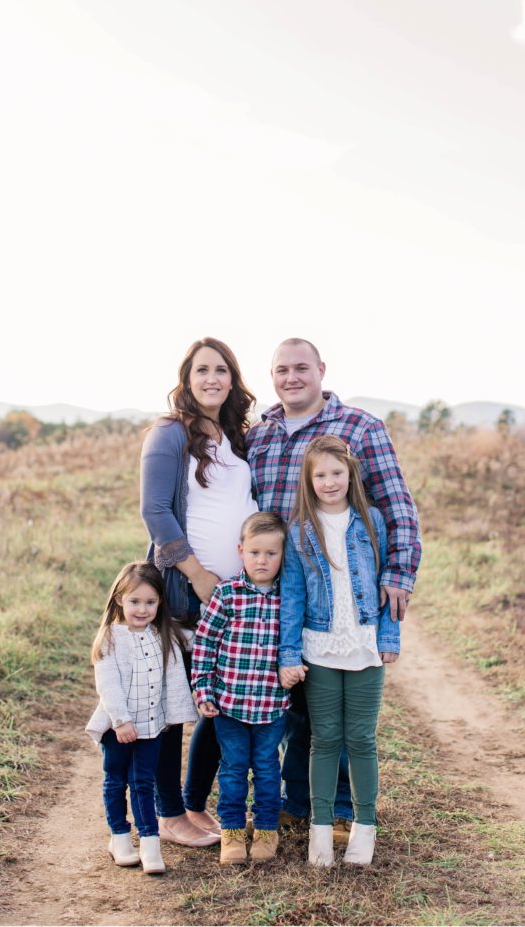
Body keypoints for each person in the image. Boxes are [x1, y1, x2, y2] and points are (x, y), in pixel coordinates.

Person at [246, 338, 421, 838]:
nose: (291, 377)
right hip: (273, 587)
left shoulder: (359, 428)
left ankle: (342, 808)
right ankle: (299, 801)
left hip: (335, 589)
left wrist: (398, 573)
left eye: (302, 368)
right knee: (294, 702)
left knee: (338, 702)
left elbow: (396, 504)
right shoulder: (261, 435)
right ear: (272, 376)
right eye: (281, 370)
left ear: (321, 369)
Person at [140, 337, 258, 846]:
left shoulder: (234, 437)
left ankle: (191, 802)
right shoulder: (169, 433)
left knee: (220, 699)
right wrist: (197, 574)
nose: (212, 378)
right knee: (173, 705)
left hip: (234, 595)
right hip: (188, 591)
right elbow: (155, 511)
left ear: (233, 379)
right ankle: (168, 815)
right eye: (201, 370)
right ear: (187, 379)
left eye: (221, 370)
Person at [278, 436, 399, 867]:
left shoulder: (373, 522)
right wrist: (288, 653)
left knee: (361, 739)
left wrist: (389, 637)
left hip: (364, 645)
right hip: (320, 648)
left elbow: (389, 581)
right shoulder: (299, 530)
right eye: (320, 475)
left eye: (337, 473)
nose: (329, 482)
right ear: (309, 481)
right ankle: (322, 830)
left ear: (350, 475)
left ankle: (365, 827)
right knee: (324, 739)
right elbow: (291, 594)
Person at [85, 561, 197, 874]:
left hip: (152, 727)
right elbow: (107, 683)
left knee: (143, 783)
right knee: (116, 780)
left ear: (160, 603)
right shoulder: (111, 637)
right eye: (135, 601)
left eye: (150, 602)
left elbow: (183, 664)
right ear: (120, 599)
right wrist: (120, 721)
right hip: (117, 728)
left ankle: (150, 843)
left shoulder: (165, 636)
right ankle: (119, 836)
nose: (142, 609)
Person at [191, 511, 290, 865]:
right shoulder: (227, 594)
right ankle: (232, 830)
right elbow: (205, 644)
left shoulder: (287, 598)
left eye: (271, 554)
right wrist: (203, 690)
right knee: (233, 768)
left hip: (271, 705)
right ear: (241, 551)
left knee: (266, 767)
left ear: (283, 555)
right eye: (255, 553)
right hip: (229, 704)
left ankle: (265, 828)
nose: (262, 561)